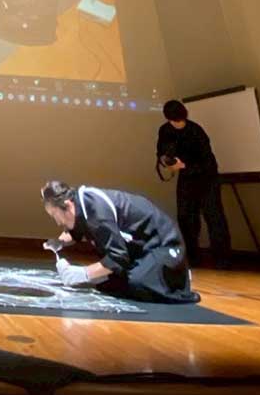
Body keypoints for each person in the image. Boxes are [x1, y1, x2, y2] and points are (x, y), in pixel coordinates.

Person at [41, 178, 199, 304]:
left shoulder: (97, 212)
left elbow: (118, 258)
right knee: (111, 285)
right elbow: (76, 230)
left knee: (136, 284)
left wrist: (83, 273)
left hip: (164, 244)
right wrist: (59, 242)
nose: (58, 222)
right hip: (139, 248)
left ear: (67, 205)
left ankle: (174, 277)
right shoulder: (80, 203)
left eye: (55, 215)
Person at [156, 98, 231, 267]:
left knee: (214, 218)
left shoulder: (196, 131)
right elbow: (161, 152)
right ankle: (192, 258)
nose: (178, 124)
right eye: (175, 121)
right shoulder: (165, 130)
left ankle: (223, 260)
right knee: (185, 218)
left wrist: (185, 166)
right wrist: (166, 162)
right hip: (186, 178)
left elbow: (208, 162)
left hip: (207, 178)